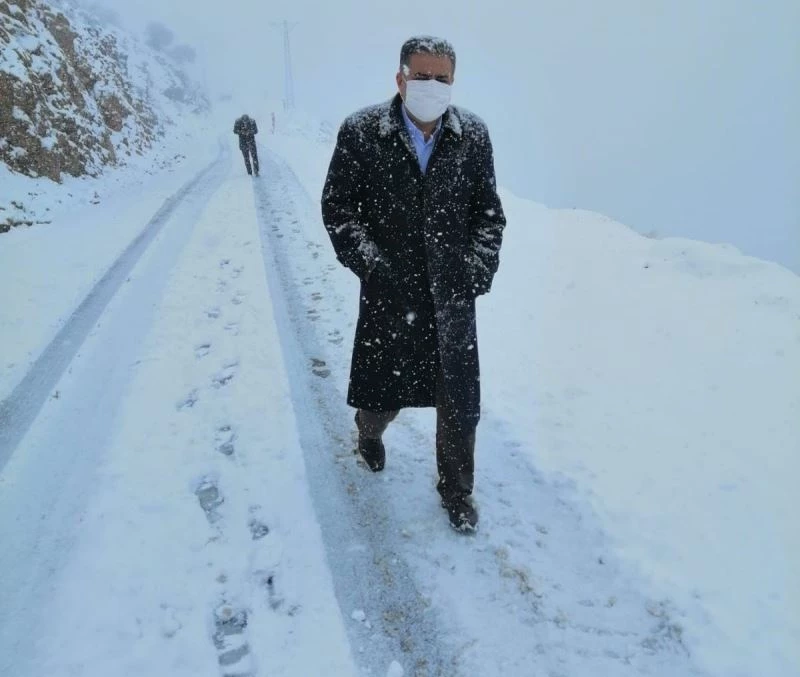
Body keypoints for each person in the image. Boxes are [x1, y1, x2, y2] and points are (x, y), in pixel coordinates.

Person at [321, 36, 506, 532]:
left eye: (441, 78)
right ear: (400, 78)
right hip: (390, 296)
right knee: (384, 393)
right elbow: (338, 209)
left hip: (451, 298)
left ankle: (457, 490)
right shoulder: (363, 131)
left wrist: (475, 270)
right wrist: (374, 267)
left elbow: (488, 216)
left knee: (459, 402)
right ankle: (368, 432)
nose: (431, 85)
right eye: (421, 76)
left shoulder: (474, 136)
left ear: (453, 81)